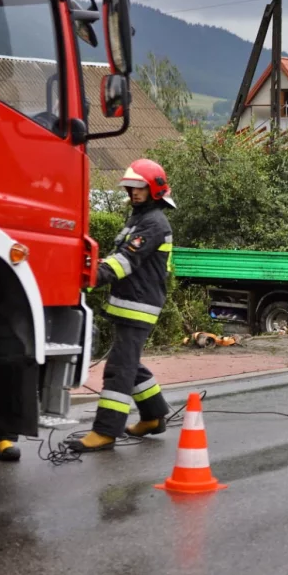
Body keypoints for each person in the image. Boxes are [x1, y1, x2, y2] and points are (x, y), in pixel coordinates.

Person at [68, 160, 175, 452]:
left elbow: (126, 260)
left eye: (140, 188)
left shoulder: (153, 222)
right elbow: (122, 255)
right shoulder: (141, 218)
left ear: (154, 189)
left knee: (119, 368)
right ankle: (153, 417)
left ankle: (105, 432)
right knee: (129, 363)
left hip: (138, 305)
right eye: (131, 188)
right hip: (132, 303)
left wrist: (91, 276)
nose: (134, 192)